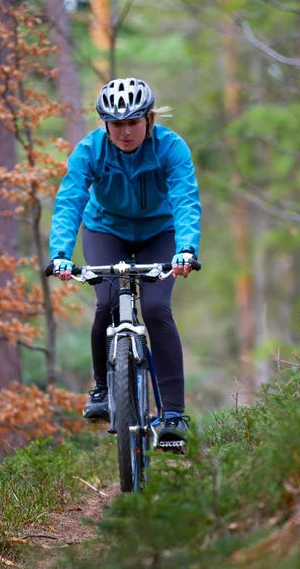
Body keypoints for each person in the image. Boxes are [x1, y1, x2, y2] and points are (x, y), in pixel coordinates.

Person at [49, 77, 201, 446]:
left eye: (133, 122)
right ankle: (101, 389)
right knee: (105, 302)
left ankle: (173, 417)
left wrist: (186, 249)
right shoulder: (90, 150)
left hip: (160, 234)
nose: (125, 132)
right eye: (116, 124)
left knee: (156, 307)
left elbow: (184, 198)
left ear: (149, 119)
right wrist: (60, 254)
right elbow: (70, 201)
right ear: (106, 125)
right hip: (106, 231)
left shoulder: (170, 147)